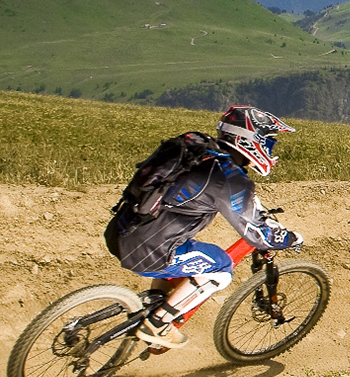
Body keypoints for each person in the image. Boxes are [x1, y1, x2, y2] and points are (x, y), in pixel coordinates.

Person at [103, 106, 303, 350]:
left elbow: (235, 198)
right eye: (267, 143)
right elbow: (259, 235)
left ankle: (157, 300)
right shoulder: (231, 179)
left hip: (121, 229)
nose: (270, 150)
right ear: (250, 141)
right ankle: (158, 323)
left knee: (185, 246)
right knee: (220, 267)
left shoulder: (199, 149)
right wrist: (289, 238)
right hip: (147, 251)